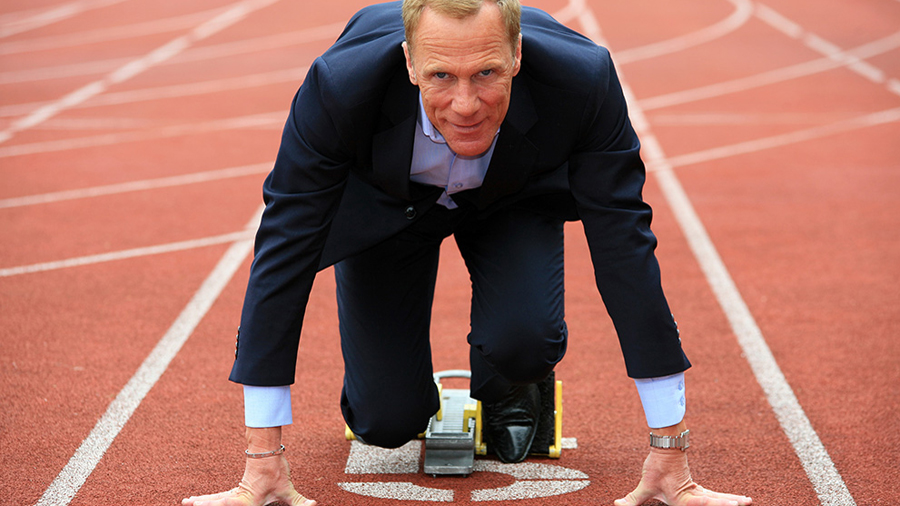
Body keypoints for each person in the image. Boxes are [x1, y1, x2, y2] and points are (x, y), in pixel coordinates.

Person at [182, 1, 753, 505]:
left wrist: (670, 450)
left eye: (487, 73)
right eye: (440, 76)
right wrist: (262, 459)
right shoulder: (338, 87)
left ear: (518, 55)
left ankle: (514, 379)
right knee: (386, 420)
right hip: (390, 208)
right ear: (408, 63)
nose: (465, 104)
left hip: (513, 196)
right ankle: (378, 380)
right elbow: (283, 252)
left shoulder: (584, 80)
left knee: (524, 340)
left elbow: (625, 247)